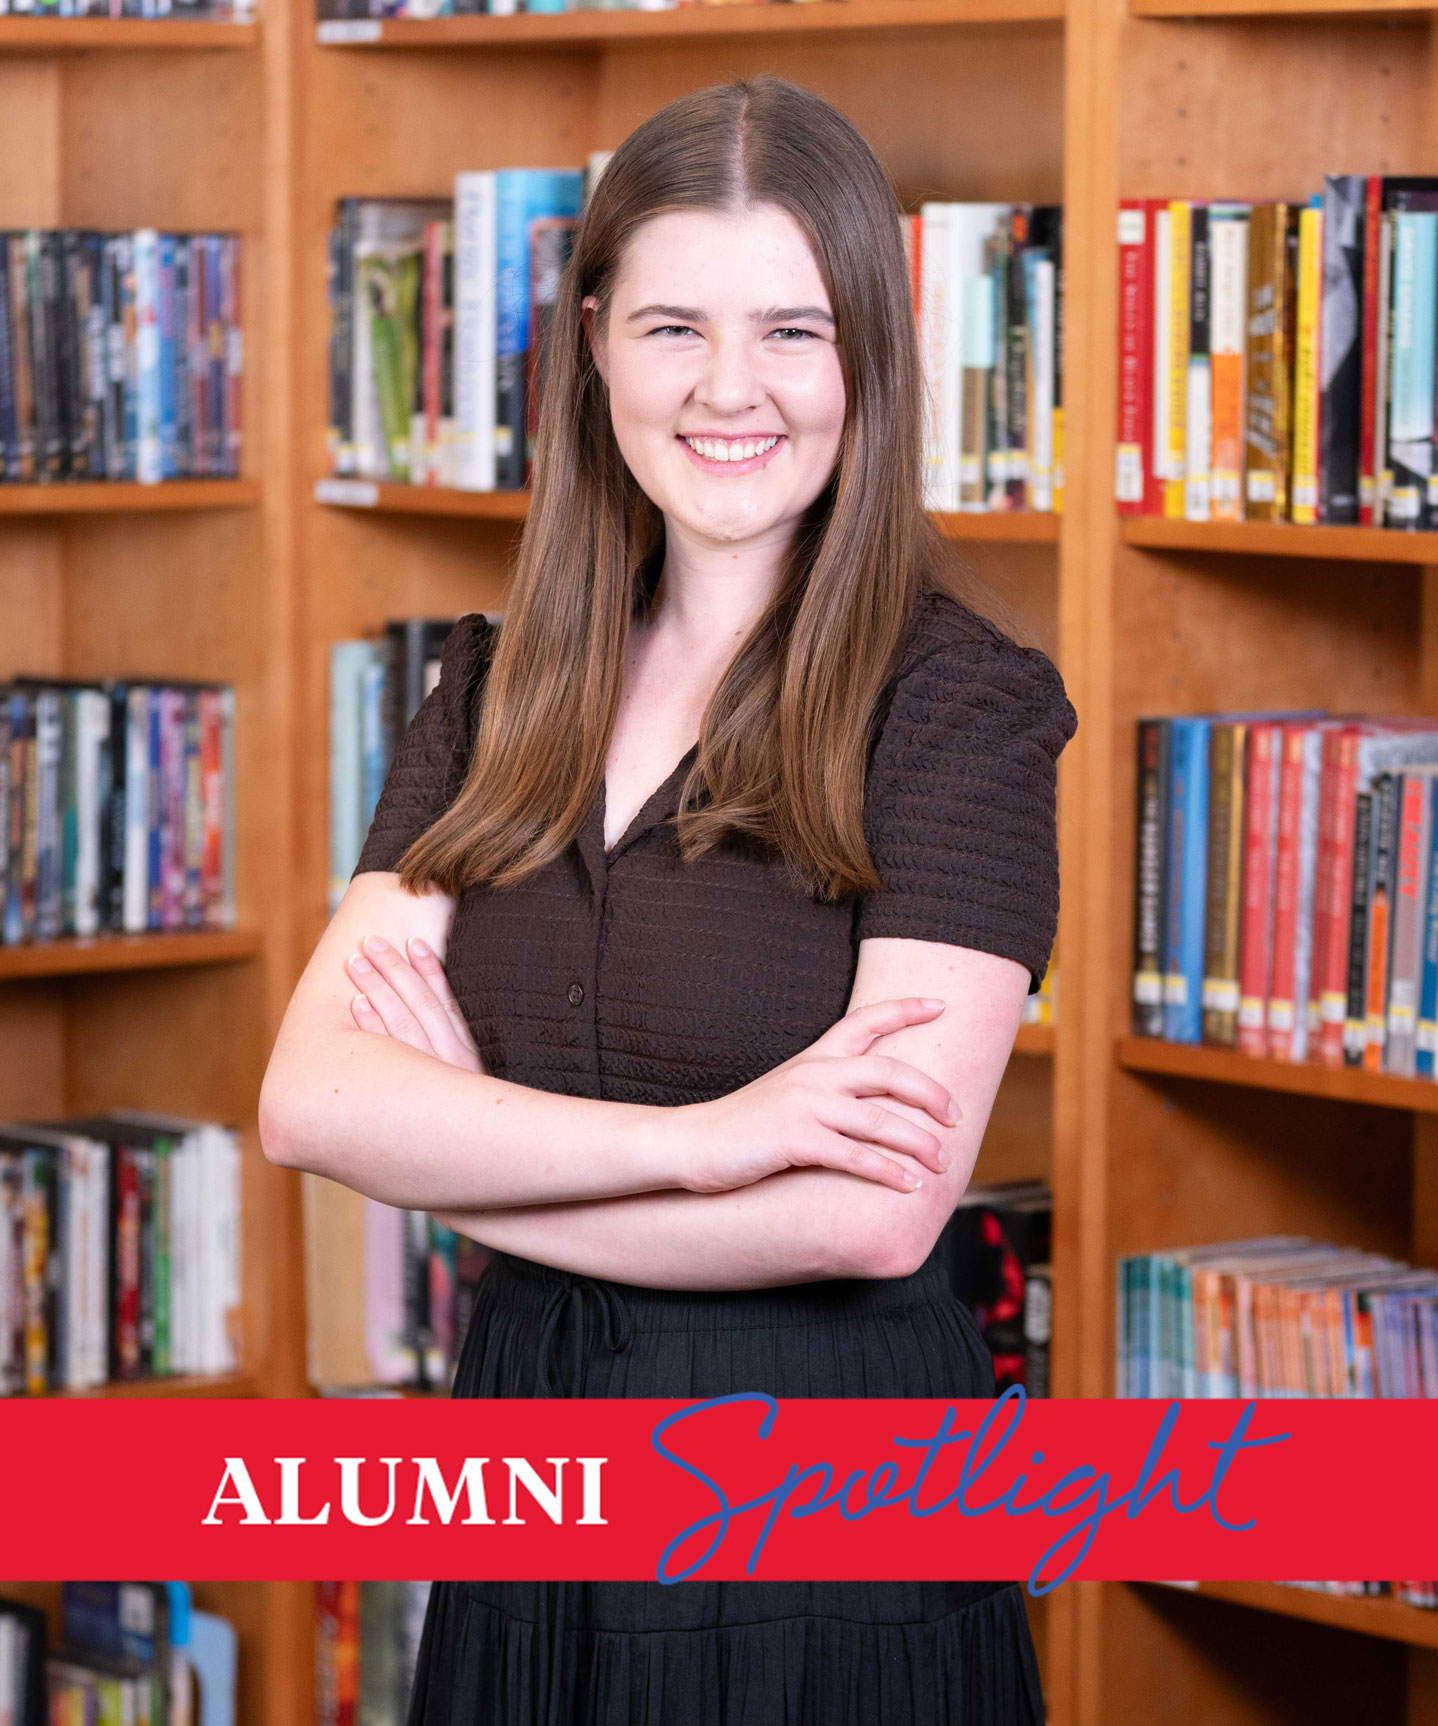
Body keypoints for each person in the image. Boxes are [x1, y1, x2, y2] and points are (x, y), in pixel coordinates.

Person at [260, 74, 1077, 1726]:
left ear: (872, 351)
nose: (729, 390)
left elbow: (871, 1210)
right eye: (672, 326)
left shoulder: (958, 712)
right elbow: (309, 1096)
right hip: (528, 1474)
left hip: (822, 1497)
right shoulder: (491, 698)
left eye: (792, 330)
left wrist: (468, 1158)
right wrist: (707, 1141)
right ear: (591, 346)